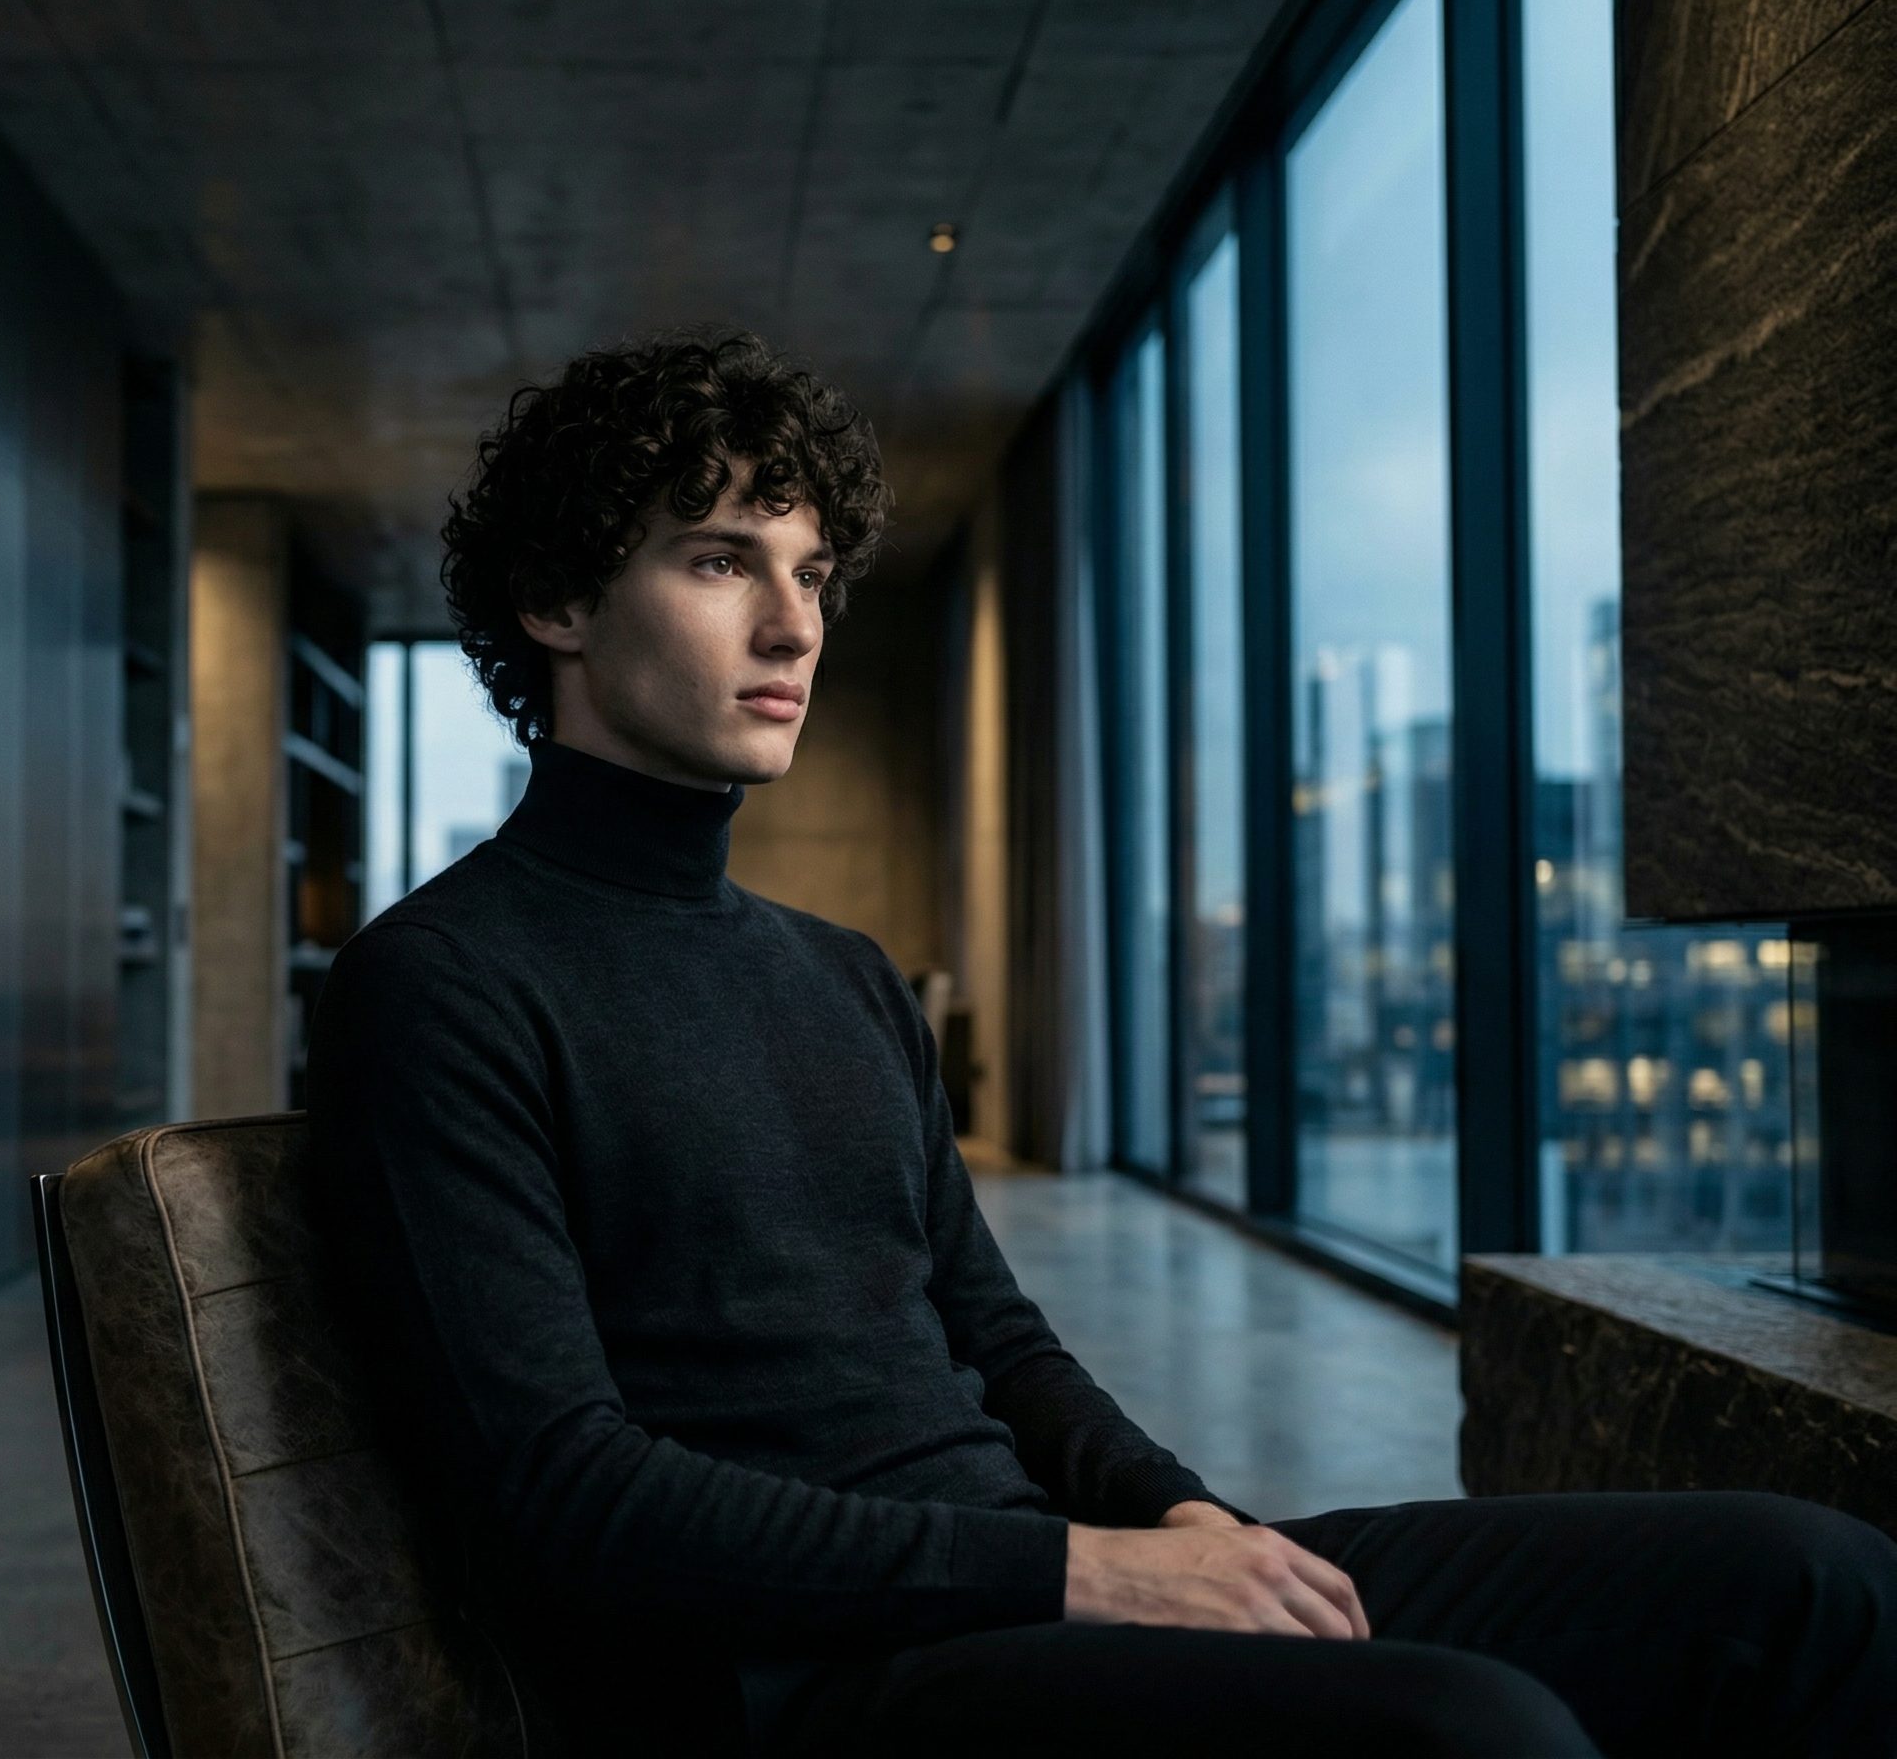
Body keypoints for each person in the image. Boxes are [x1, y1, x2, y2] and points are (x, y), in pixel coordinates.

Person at [303, 329, 1897, 1758]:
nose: (795, 625)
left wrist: (1180, 1515)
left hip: (1028, 1569)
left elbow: (1001, 1345)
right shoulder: (441, 985)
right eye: (724, 562)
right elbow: (565, 1498)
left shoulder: (844, 978)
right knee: (1470, 1732)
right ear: (561, 602)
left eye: (815, 572)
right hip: (812, 1681)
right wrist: (1089, 1571)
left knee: (1810, 1577)